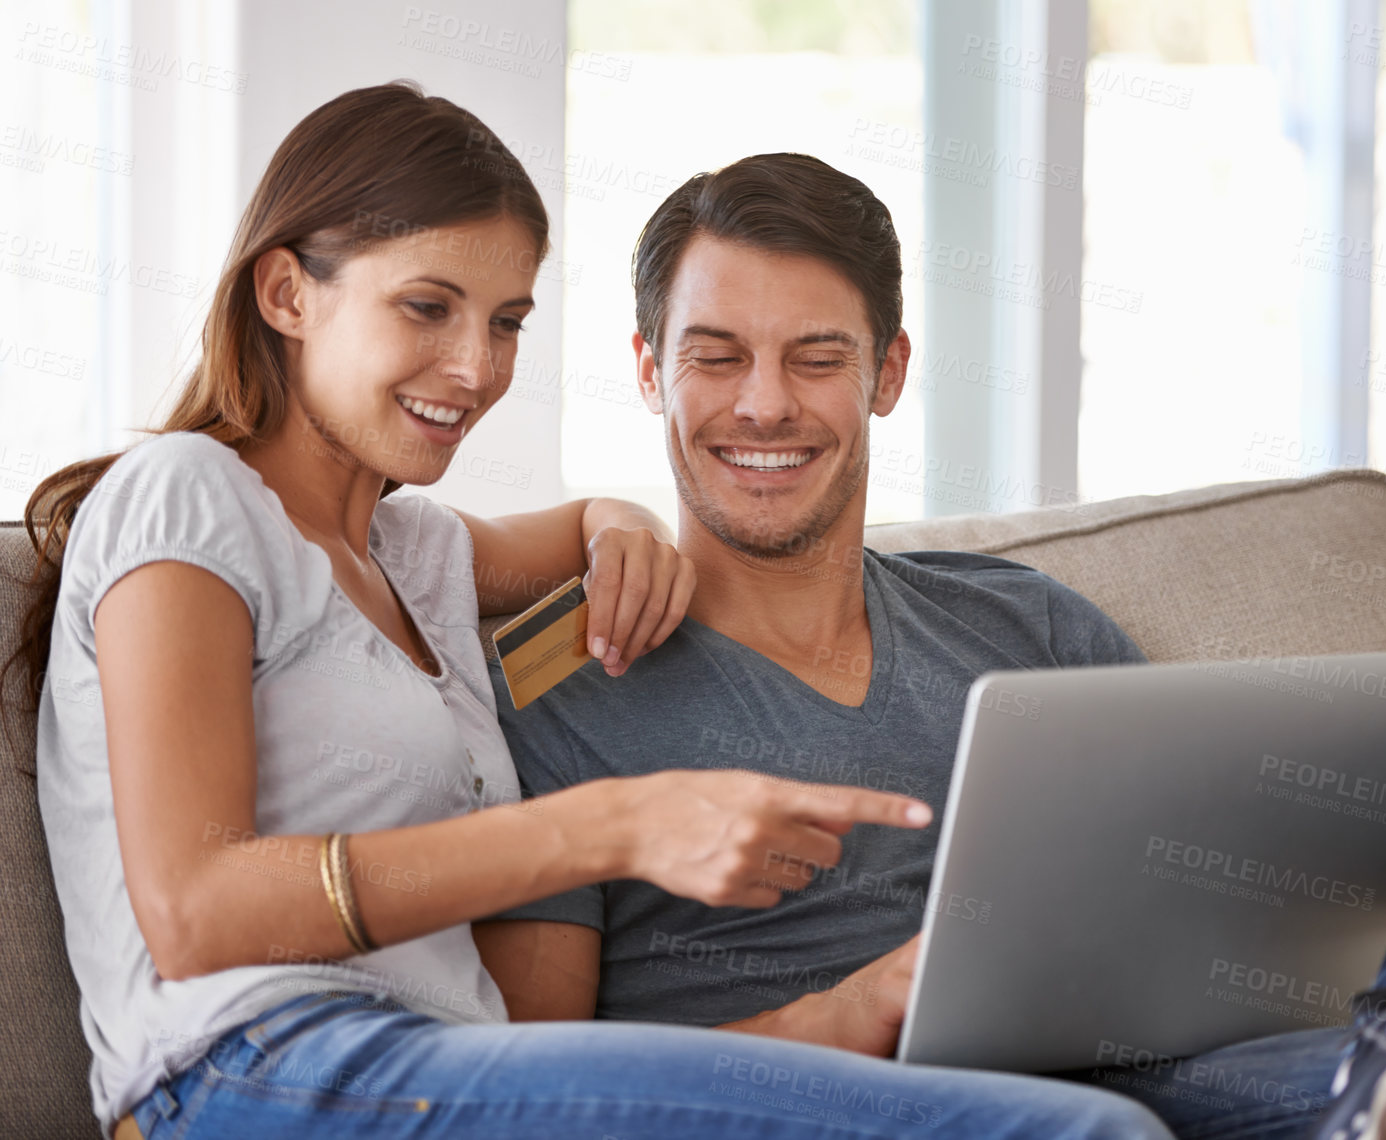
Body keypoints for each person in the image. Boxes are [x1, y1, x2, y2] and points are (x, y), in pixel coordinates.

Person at [14, 85, 1171, 1140]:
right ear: (286, 293)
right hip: (256, 1072)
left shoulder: (413, 552)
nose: (473, 369)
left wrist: (621, 521)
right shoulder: (185, 494)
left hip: (444, 1067)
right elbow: (194, 911)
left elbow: (576, 530)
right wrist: (614, 826)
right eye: (427, 307)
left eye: (506, 322)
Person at [479, 152, 1386, 1140]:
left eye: (817, 357)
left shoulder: (1022, 622)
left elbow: (1207, 872)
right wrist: (856, 1008)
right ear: (649, 371)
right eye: (716, 357)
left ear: (888, 374)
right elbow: (532, 1091)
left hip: (1184, 1067)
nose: (763, 405)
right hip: (886, 1108)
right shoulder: (560, 687)